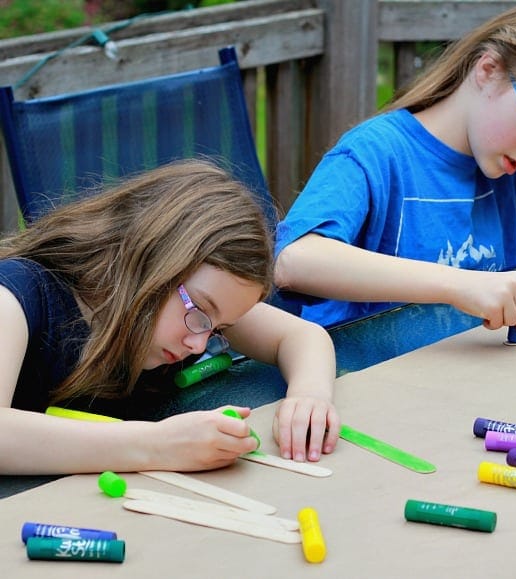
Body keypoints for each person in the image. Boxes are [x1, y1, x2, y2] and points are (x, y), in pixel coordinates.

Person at [274, 0, 516, 330]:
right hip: (366, 369)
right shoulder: (376, 153)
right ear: (488, 70)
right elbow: (294, 260)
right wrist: (460, 285)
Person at [0, 159, 339, 475]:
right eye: (201, 313)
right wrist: (158, 445)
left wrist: (309, 396)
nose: (198, 346)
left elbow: (302, 336)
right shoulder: (18, 296)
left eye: (218, 329)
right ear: (154, 261)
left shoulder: (187, 308)